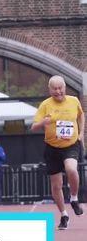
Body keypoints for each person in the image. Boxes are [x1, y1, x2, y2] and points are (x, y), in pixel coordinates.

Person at [31, 75, 85, 230]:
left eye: (60, 88)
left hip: (70, 145)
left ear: (64, 87)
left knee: (71, 169)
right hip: (52, 147)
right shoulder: (45, 105)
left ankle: (74, 198)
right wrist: (43, 122)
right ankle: (64, 215)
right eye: (54, 88)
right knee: (56, 186)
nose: (58, 91)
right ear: (49, 90)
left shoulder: (74, 101)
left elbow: (81, 115)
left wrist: (81, 134)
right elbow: (33, 127)